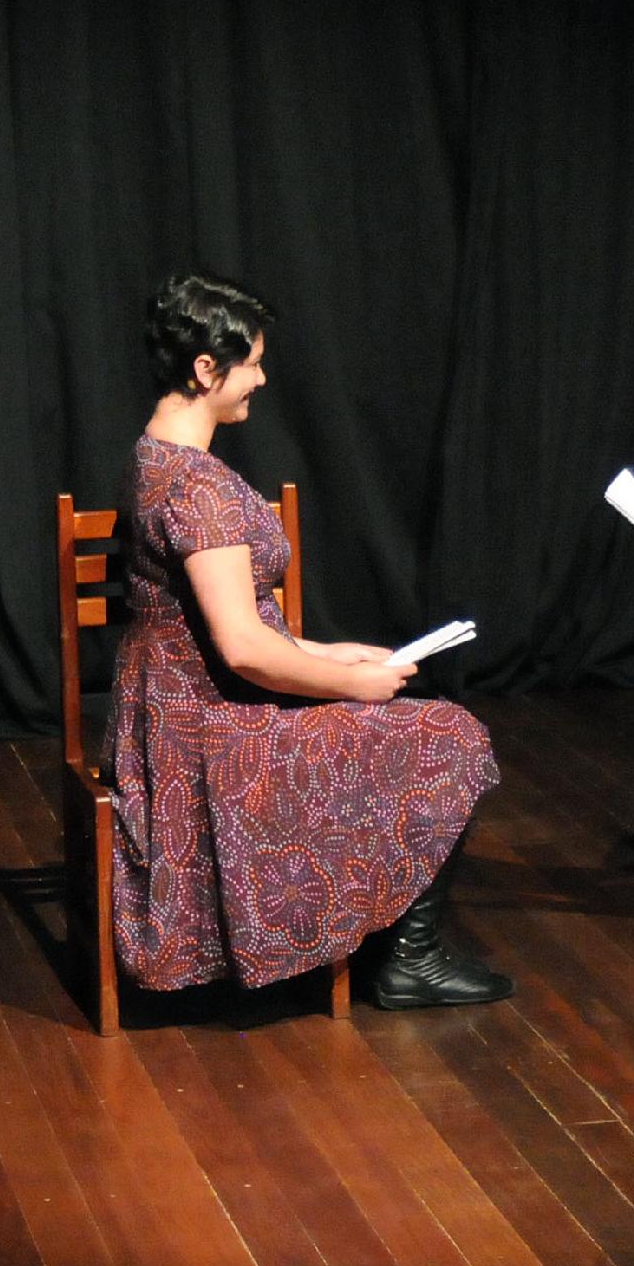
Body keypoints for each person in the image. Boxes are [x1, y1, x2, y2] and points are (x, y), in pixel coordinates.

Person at [101, 272, 513, 1010]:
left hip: (174, 708)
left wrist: (327, 653)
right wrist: (352, 683)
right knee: (449, 735)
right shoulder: (198, 488)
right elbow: (242, 648)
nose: (261, 379)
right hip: (210, 730)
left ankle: (380, 931)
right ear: (206, 368)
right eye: (252, 363)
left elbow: (212, 623)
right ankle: (408, 958)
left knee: (405, 712)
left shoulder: (151, 456)